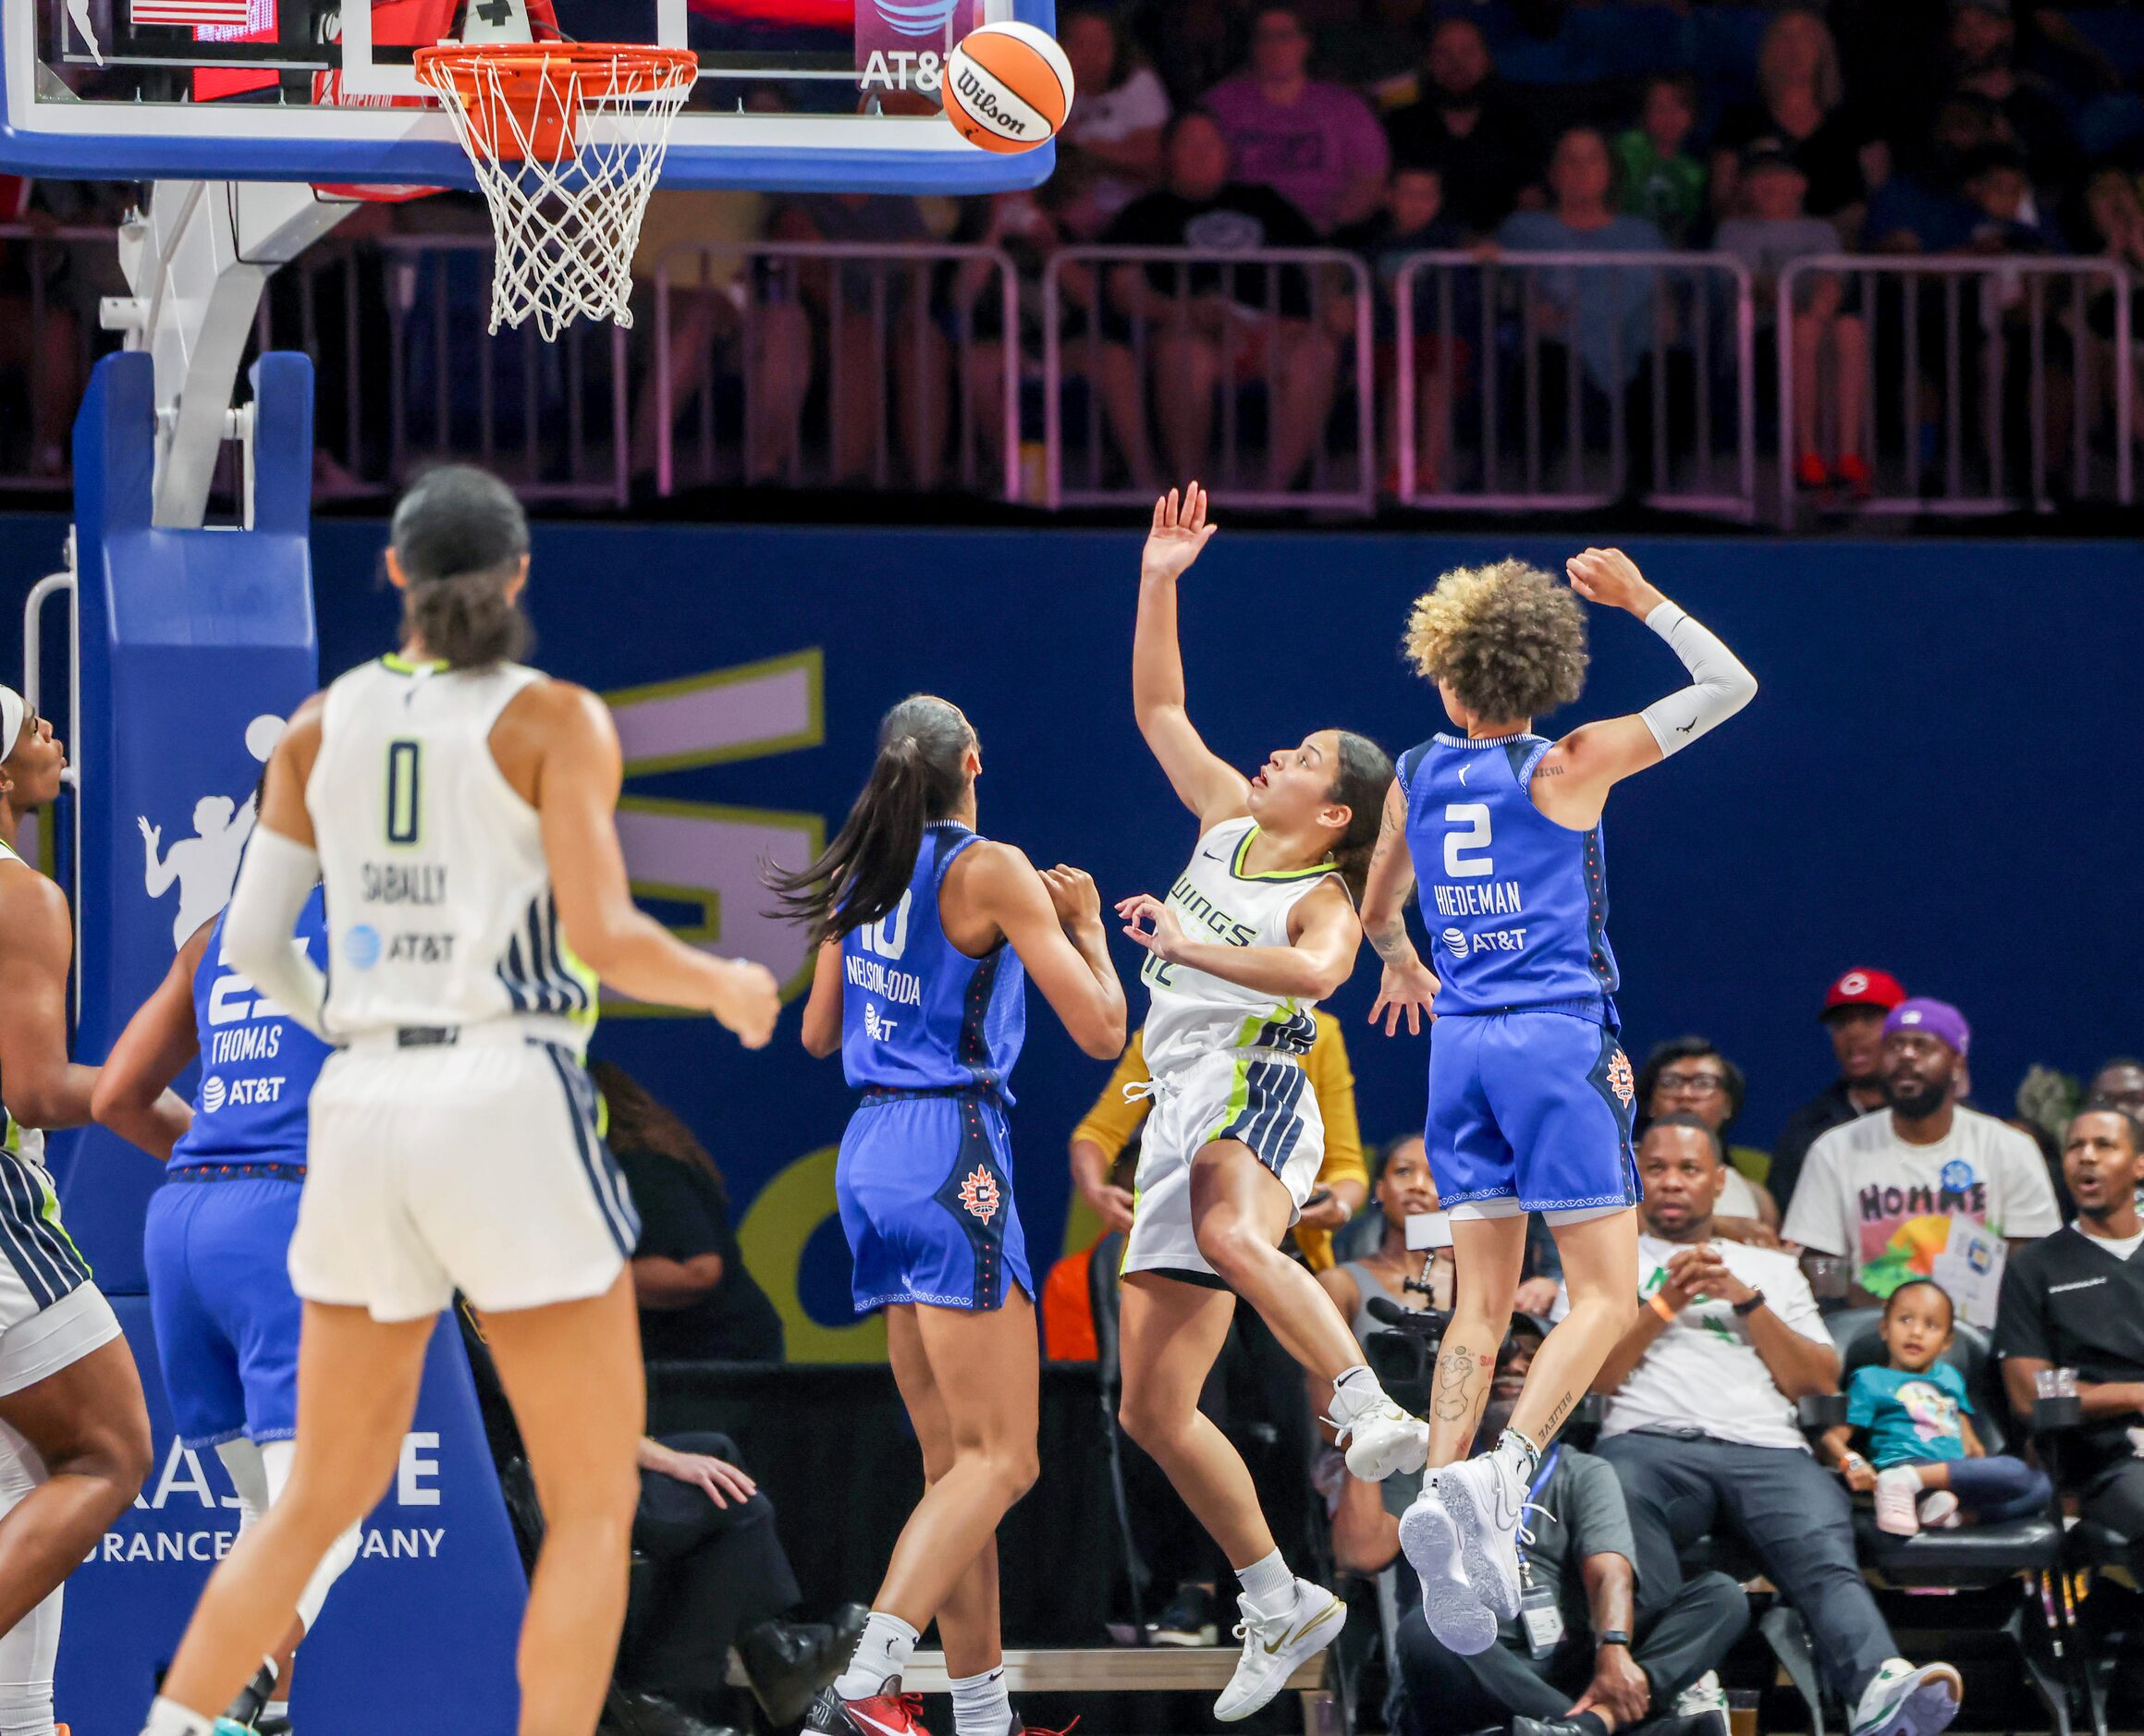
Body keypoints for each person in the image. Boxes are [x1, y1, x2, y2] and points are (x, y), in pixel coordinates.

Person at [139, 466, 784, 1736]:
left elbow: (256, 943)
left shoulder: (321, 723)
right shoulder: (556, 719)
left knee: (315, 1491)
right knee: (593, 1497)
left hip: (370, 1101)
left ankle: (173, 1724)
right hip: (504, 1094)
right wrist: (724, 982)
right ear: (519, 574)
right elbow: (604, 934)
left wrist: (356, 1026)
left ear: (394, 574)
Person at [1358, 546, 1756, 1659]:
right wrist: (1642, 600)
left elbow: (1378, 901)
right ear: (1541, 674)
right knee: (1606, 1294)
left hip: (1459, 1054)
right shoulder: (1568, 763)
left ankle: (1443, 1491)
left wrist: (1398, 957)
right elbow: (1732, 688)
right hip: (1554, 1039)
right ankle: (1504, 1479)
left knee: (1477, 1313)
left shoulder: (1416, 771)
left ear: (1447, 674)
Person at [1109, 483, 1421, 1721]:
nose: (1269, 757)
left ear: (1330, 810)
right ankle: (1273, 1593)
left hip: (1259, 1078)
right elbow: (1159, 704)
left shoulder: (1321, 898)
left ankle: (1358, 1401)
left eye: (1295, 758)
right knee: (1149, 1405)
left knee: (1242, 1234)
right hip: (1175, 1100)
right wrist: (1158, 578)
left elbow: (1310, 975)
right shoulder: (1223, 819)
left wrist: (1186, 945)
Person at [777, 693, 1128, 1736]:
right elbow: (1105, 1032)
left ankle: (981, 1714)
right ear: (973, 760)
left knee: (955, 1468)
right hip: (950, 1150)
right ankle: (863, 1683)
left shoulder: (859, 868)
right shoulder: (989, 867)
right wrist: (1087, 931)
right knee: (1007, 1459)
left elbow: (815, 1033)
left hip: (870, 1155)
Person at [93, 855, 360, 1733]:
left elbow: (118, 1095)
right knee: (327, 1521)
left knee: (267, 1517)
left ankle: (258, 1720)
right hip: (282, 1220)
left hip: (184, 1226)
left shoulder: (216, 934)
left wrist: (219, 1165)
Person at [1588, 1117, 1966, 1736]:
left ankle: (1877, 1685)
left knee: (1820, 1545)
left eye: (1687, 1170)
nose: (1671, 1183)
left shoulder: (1771, 1269)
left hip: (1765, 1447)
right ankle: (1683, 1678)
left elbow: (1818, 1385)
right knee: (1613, 1500)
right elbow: (1587, 1379)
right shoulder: (1603, 1260)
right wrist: (1663, 1305)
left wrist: (1744, 1298)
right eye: (1654, 1169)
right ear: (1634, 1178)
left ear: (1717, 1183)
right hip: (1646, 1442)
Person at [1344, 1319, 1748, 1736]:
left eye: (1533, 1357)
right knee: (1424, 1629)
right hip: (1477, 1660)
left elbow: (1609, 1571)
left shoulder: (1580, 1470)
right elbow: (1359, 1553)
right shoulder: (1432, 1455)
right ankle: (1595, 1726)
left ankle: (1576, 1726)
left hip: (1565, 1656)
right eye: (1504, 1355)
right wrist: (1370, 1433)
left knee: (1720, 1596)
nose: (1516, 1365)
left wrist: (1613, 1646)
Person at [0, 684, 154, 1736]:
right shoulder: (21, 897)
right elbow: (35, 1088)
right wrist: (190, 1125)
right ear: (2, 777)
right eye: (27, 728)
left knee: (22, 1488)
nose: (50, 732)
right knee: (109, 1450)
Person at [1098, 115, 1340, 492]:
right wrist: (1182, 311)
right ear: (1168, 154)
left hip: (1271, 330)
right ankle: (1190, 492)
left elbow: (1325, 268)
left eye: (1210, 144)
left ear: (1227, 152)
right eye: (1188, 144)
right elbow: (1124, 289)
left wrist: (1321, 311)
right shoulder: (1143, 214)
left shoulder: (1265, 202)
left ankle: (1273, 495)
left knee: (1318, 353)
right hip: (1188, 330)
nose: (1201, 154)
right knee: (1185, 357)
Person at [1781, 998, 2062, 1314]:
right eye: (1895, 1047)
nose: (1906, 1056)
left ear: (1957, 1064)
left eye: (1922, 1047)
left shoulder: (2009, 1148)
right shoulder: (1834, 1149)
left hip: (1979, 1327)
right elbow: (1820, 1268)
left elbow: (2032, 1262)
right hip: (1870, 1325)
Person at [1070, 1012, 1367, 1272]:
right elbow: (1098, 1133)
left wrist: (1338, 1205)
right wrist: (1095, 1190)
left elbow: (1348, 1169)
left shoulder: (1316, 1032)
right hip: (1175, 1244)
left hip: (1284, 1248)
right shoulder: (1164, 1029)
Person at [1994, 1106, 2144, 1576]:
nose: (2086, 1158)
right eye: (2075, 1147)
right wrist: (2136, 1396)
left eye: (2104, 1146)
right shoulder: (2036, 1267)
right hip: (2108, 1460)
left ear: (2140, 1164)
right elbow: (2028, 1393)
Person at [1819, 1278, 2051, 1536]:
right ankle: (1907, 1483)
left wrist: (1981, 1470)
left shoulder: (1949, 1378)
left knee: (2040, 1488)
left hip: (1952, 1476)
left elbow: (1970, 1443)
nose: (1916, 1332)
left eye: (1930, 1325)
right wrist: (1852, 1462)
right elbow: (1832, 1438)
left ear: (1946, 1342)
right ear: (1884, 1328)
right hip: (1904, 1465)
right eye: (1905, 1320)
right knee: (2014, 1470)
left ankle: (1951, 1516)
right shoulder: (1870, 1379)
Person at [593, 1060, 785, 1364]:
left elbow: (700, 1270)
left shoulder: (642, 1169)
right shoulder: (632, 1166)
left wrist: (587, 1277)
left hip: (720, 1362)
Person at [1710, 146, 1870, 499]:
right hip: (1759, 341)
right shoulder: (1734, 231)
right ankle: (1807, 452)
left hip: (1819, 329)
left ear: (1800, 183)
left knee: (1849, 329)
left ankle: (1847, 455)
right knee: (1805, 329)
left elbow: (1833, 286)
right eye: (1758, 175)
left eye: (1777, 171)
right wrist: (1798, 301)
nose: (1768, 181)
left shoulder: (1821, 231)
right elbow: (1749, 287)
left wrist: (1817, 301)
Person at [1492, 128, 1669, 419]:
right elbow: (1491, 271)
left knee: (1671, 371)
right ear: (1553, 173)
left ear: (1610, 171)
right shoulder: (1523, 229)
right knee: (1546, 365)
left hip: (1631, 358)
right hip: (1556, 356)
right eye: (1571, 161)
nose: (1582, 170)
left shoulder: (1642, 235)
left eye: (1592, 160)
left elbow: (1668, 298)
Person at [1202, 5, 1391, 236]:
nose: (1275, 46)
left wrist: (1330, 233)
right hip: (1238, 235)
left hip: (1323, 237)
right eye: (1265, 37)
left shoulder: (1344, 106)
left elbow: (1370, 178)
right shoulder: (1221, 103)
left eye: (1284, 36)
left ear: (1305, 43)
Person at [1709, 6, 1886, 246]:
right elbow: (1721, 202)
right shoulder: (1741, 123)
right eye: (1784, 36)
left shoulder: (1855, 127)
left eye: (1805, 36)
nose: (1795, 47)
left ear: (1823, 49)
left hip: (1835, 258)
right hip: (1758, 253)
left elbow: (1880, 203)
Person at [1382, 17, 1545, 238]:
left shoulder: (1520, 122)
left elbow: (1533, 201)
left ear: (1487, 59)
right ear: (1428, 62)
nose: (1456, 63)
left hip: (1499, 254)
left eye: (1468, 51)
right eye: (1443, 53)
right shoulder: (1400, 123)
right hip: (1418, 252)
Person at [1770, 968, 1908, 1217]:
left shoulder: (1944, 1118)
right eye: (1842, 1023)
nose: (1853, 1033)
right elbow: (1786, 1223)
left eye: (1869, 1019)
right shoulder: (1807, 1128)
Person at [1633, 1036, 1780, 1241]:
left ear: (1728, 1104)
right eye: (1670, 1083)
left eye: (1703, 1083)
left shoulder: (1755, 1195)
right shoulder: (1616, 1169)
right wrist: (1716, 1225)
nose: (1685, 1094)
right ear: (1649, 1101)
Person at [1054, 7, 1171, 240]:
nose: (1091, 55)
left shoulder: (1138, 85)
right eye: (1080, 44)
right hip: (1068, 220)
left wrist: (1079, 143)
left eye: (1100, 44)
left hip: (1133, 219)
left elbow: (1151, 159)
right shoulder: (1053, 94)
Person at [1615, 74, 1706, 248]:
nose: (1669, 117)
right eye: (1659, 108)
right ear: (1644, 114)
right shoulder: (1629, 147)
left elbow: (1685, 225)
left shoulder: (1694, 171)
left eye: (1678, 107)